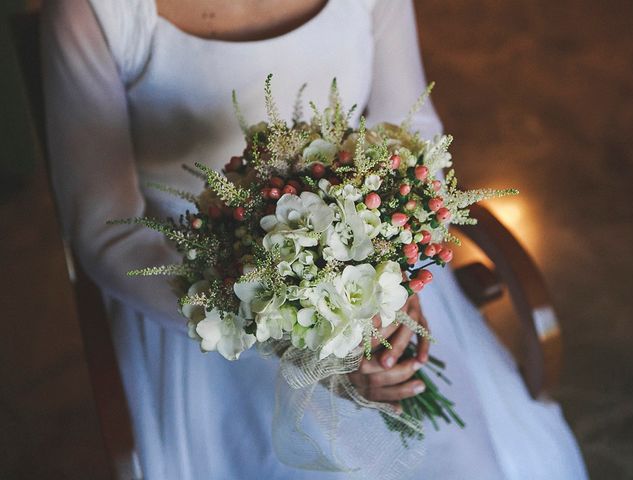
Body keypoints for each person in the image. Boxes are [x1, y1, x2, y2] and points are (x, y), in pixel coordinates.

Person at [41, 0, 589, 478]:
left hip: (365, 268)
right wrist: (293, 337)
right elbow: (104, 233)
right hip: (199, 303)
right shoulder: (96, 8)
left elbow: (412, 131)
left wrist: (393, 281)